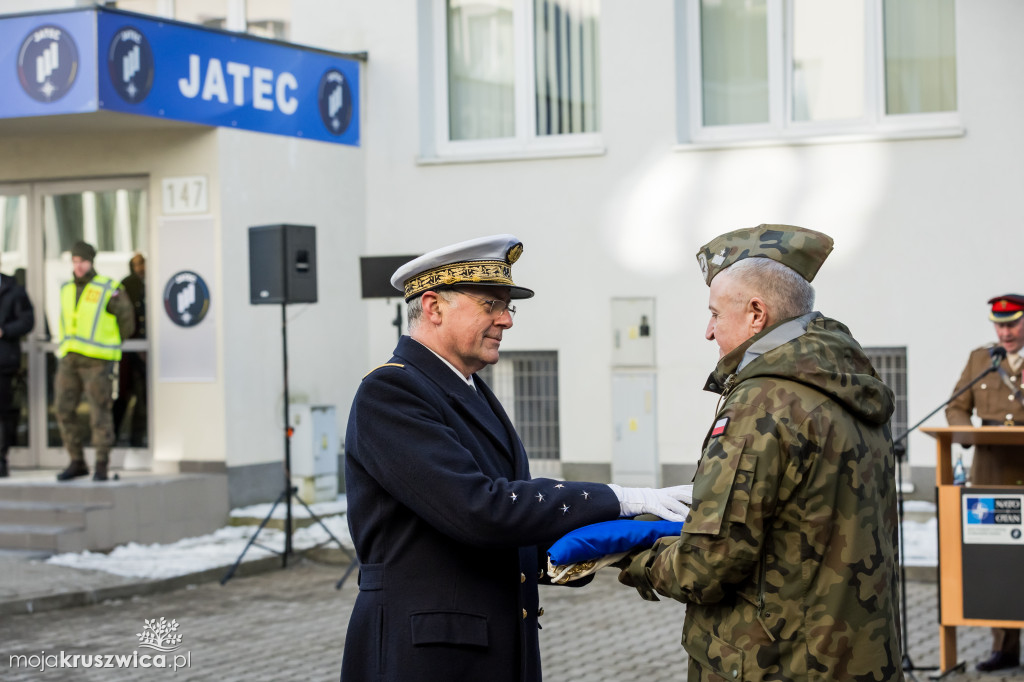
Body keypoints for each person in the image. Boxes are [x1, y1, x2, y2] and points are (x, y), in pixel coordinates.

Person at [341, 234, 691, 682]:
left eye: (509, 307)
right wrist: (619, 498)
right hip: (426, 656)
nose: (506, 320)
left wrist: (598, 545)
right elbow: (480, 509)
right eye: (491, 304)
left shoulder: (466, 387)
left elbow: (509, 510)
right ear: (433, 307)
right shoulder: (391, 392)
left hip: (486, 647)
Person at [618, 224, 904, 681]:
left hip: (777, 663)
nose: (708, 332)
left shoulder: (763, 404)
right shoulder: (844, 384)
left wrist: (637, 556)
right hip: (856, 658)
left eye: (715, 314)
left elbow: (708, 564)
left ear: (756, 313)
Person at [945, 293, 1024, 672]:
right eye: (999, 324)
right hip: (992, 468)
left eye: (1013, 323)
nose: (1005, 332)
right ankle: (1005, 649)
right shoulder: (982, 358)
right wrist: (966, 434)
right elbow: (957, 405)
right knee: (999, 559)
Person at [54, 241, 135, 482]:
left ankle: (101, 464)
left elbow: (127, 321)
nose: (78, 266)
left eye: (83, 261)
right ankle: (76, 461)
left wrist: (112, 342)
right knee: (62, 409)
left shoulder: (108, 288)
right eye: (75, 261)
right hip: (69, 358)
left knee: (99, 412)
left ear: (91, 261)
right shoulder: (66, 289)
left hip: (98, 361)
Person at [0, 259, 34, 477]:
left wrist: (4, 331)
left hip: (3, 362)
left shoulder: (14, 290)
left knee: (3, 413)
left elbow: (28, 321)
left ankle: (1, 459)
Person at [112, 252, 147, 447]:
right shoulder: (126, 285)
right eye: (137, 264)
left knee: (144, 398)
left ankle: (138, 438)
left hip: (144, 348)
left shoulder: (154, 282)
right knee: (124, 395)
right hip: (129, 349)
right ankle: (114, 435)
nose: (141, 268)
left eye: (142, 263)